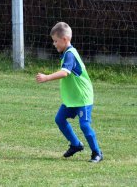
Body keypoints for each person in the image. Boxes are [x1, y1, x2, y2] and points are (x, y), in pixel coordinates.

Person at [36, 22, 103, 163]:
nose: (54, 44)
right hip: (73, 99)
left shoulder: (70, 54)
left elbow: (65, 73)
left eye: (55, 41)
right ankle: (76, 144)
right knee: (59, 119)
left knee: (84, 125)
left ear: (64, 39)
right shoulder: (65, 53)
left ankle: (97, 153)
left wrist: (46, 77)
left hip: (83, 98)